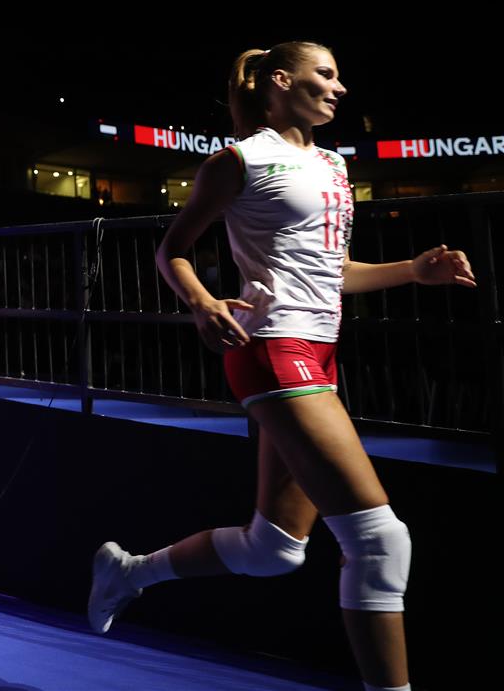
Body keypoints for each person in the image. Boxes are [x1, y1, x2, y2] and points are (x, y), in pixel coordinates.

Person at [87, 42, 476, 691]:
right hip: (272, 348)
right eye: (326, 73)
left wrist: (413, 270)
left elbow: (336, 273)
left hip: (320, 352)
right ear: (280, 80)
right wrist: (204, 302)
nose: (340, 87)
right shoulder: (240, 160)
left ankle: (129, 571)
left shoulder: (332, 164)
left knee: (273, 548)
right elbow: (172, 250)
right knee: (381, 543)